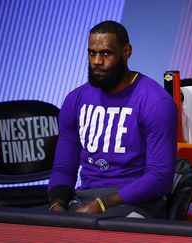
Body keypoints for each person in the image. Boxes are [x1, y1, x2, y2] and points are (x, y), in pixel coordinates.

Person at [47, 20, 177, 219]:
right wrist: (57, 204)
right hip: (84, 199)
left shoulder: (155, 102)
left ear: (126, 52)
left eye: (106, 53)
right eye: (92, 53)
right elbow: (64, 166)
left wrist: (103, 204)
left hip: (137, 203)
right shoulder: (75, 99)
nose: (97, 61)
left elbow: (160, 177)